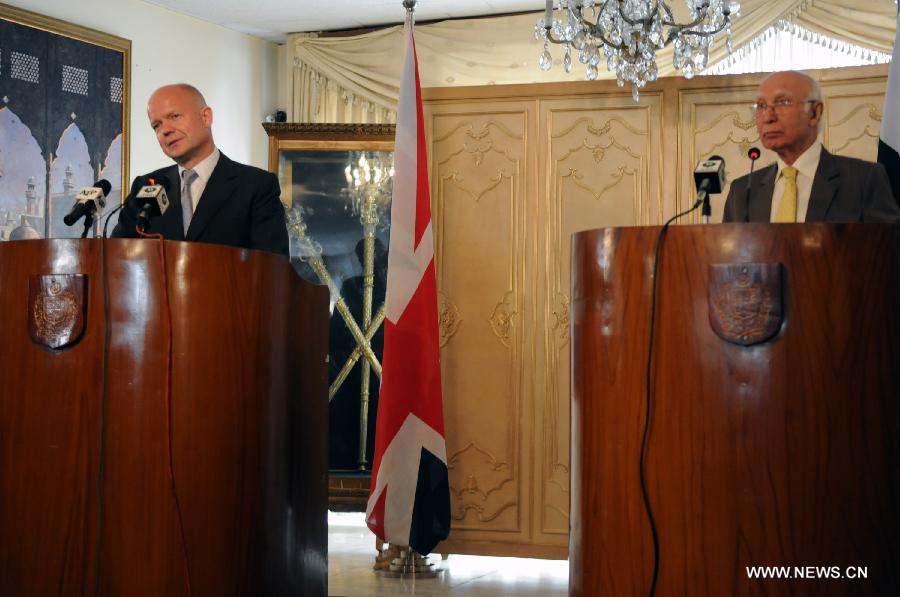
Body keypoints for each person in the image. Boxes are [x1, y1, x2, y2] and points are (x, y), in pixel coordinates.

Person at [112, 84, 289, 255]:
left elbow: (272, 267)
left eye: (174, 116)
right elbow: (117, 255)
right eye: (156, 125)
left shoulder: (256, 185)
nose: (165, 130)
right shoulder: (145, 186)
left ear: (206, 117)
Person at [723, 71, 900, 223]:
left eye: (782, 102)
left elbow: (888, 253)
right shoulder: (741, 192)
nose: (768, 117)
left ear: (815, 113)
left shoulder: (863, 180)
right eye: (761, 106)